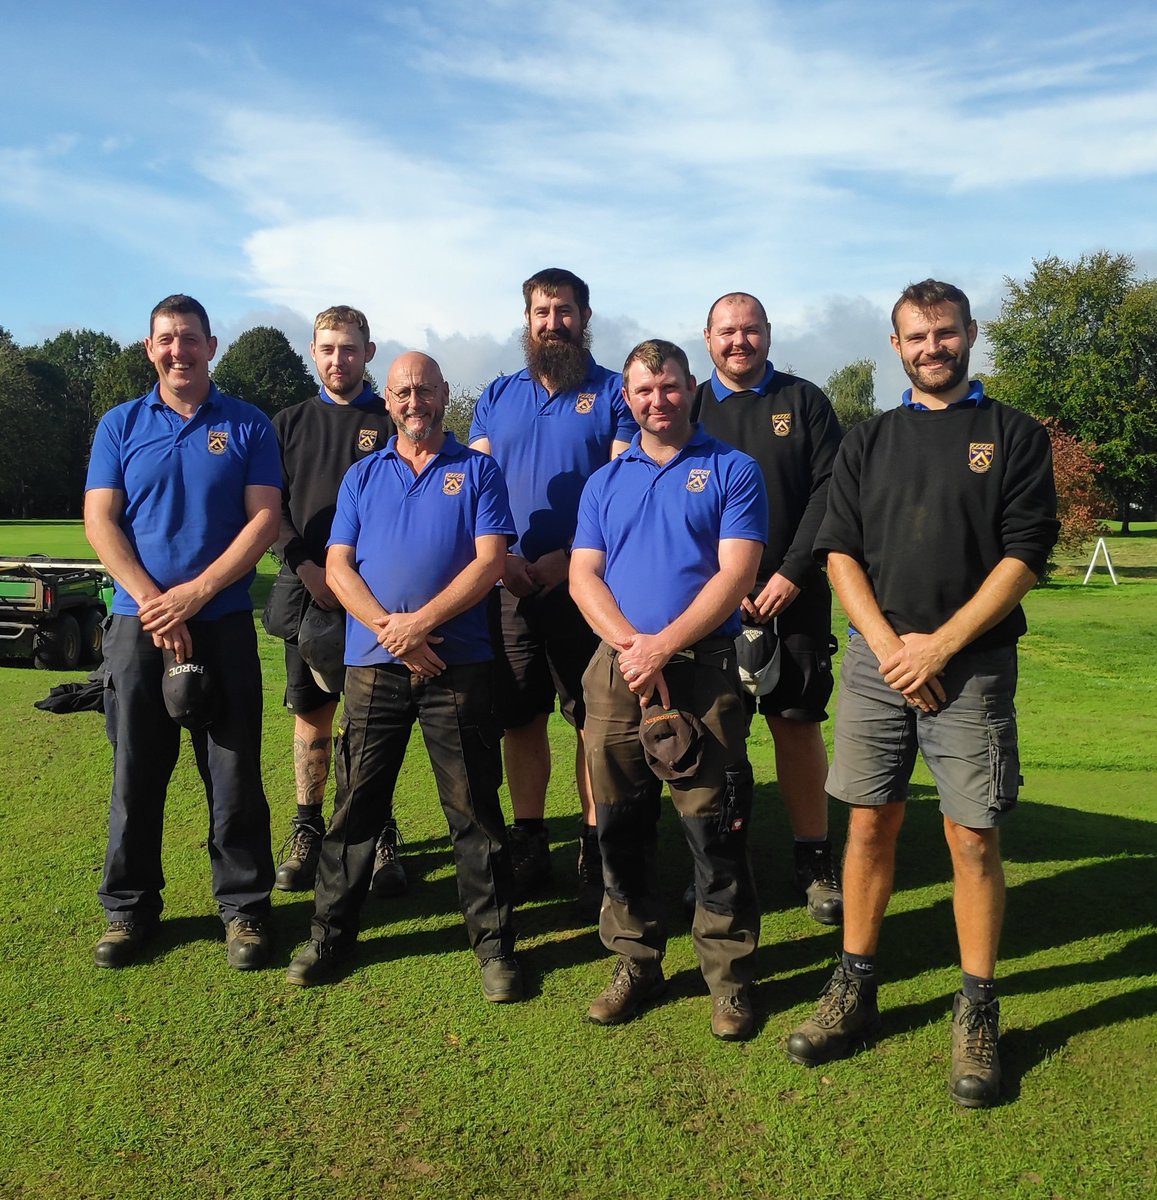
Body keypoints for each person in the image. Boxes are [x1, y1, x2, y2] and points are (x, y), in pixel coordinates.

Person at [785, 280, 1058, 1108]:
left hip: (968, 665)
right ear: (895, 345)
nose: (931, 347)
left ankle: (976, 1009)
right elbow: (838, 552)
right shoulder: (866, 439)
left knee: (971, 838)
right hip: (878, 663)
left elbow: (1023, 555)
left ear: (969, 334)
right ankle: (854, 988)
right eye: (915, 336)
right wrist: (886, 644)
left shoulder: (1011, 434)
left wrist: (939, 644)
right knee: (868, 823)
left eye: (944, 333)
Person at [286, 352, 522, 1002]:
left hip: (458, 664)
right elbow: (337, 568)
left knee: (473, 809)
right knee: (355, 809)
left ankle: (495, 948)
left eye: (424, 389)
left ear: (445, 394)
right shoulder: (362, 475)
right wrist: (393, 631)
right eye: (401, 392)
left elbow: (490, 563)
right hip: (371, 669)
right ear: (386, 401)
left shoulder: (477, 471)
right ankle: (329, 937)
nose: (413, 400)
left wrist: (420, 624)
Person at [570, 339, 767, 1039]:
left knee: (713, 828)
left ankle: (729, 978)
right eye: (644, 390)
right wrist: (632, 647)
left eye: (670, 387)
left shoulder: (731, 469)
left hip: (700, 673)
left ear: (690, 389)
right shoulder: (605, 481)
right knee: (618, 827)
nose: (658, 400)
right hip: (618, 675)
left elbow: (734, 575)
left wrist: (663, 645)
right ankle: (636, 959)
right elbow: (582, 575)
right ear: (627, 398)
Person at [84, 294, 281, 970]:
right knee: (136, 773)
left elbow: (262, 522)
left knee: (232, 776)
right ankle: (128, 910)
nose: (178, 350)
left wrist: (195, 595)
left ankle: (246, 913)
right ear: (150, 349)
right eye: (167, 339)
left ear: (211, 347)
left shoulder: (248, 424)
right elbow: (101, 521)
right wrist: (153, 602)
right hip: (136, 629)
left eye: (190, 339)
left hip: (222, 624)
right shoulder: (118, 424)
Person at [470, 268, 637, 908]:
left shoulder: (616, 392)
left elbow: (622, 487)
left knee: (593, 717)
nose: (552, 322)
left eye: (563, 310)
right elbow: (483, 487)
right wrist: (507, 557)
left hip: (587, 583)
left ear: (584, 315)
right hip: (510, 581)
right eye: (541, 312)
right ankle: (531, 837)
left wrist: (568, 557)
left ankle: (594, 845)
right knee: (520, 714)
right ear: (527, 319)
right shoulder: (497, 394)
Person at [694, 292, 845, 924]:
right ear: (708, 339)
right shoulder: (687, 406)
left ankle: (813, 859)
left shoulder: (804, 401)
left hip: (794, 598)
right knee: (716, 733)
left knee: (796, 723)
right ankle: (721, 862)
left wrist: (790, 572)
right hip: (708, 609)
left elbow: (831, 491)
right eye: (727, 331)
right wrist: (719, 590)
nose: (739, 341)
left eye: (750, 330)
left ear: (768, 335)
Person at [268, 305, 404, 899]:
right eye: (327, 348)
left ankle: (377, 830)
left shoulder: (391, 416)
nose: (337, 359)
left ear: (368, 352)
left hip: (373, 596)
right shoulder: (289, 422)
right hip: (307, 590)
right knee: (311, 712)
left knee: (372, 719)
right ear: (313, 351)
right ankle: (306, 826)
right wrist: (305, 564)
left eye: (349, 348)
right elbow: (267, 510)